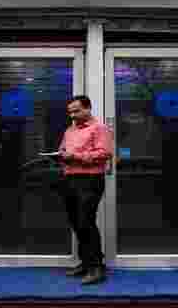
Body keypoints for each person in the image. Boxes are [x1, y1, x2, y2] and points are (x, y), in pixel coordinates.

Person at [57, 95, 112, 285]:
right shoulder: (69, 130)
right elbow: (63, 150)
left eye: (76, 111)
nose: (73, 115)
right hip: (70, 179)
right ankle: (86, 263)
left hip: (89, 180)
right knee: (76, 222)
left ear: (88, 108)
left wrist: (75, 156)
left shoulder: (99, 128)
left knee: (86, 221)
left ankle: (97, 268)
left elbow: (104, 153)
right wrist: (60, 155)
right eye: (70, 112)